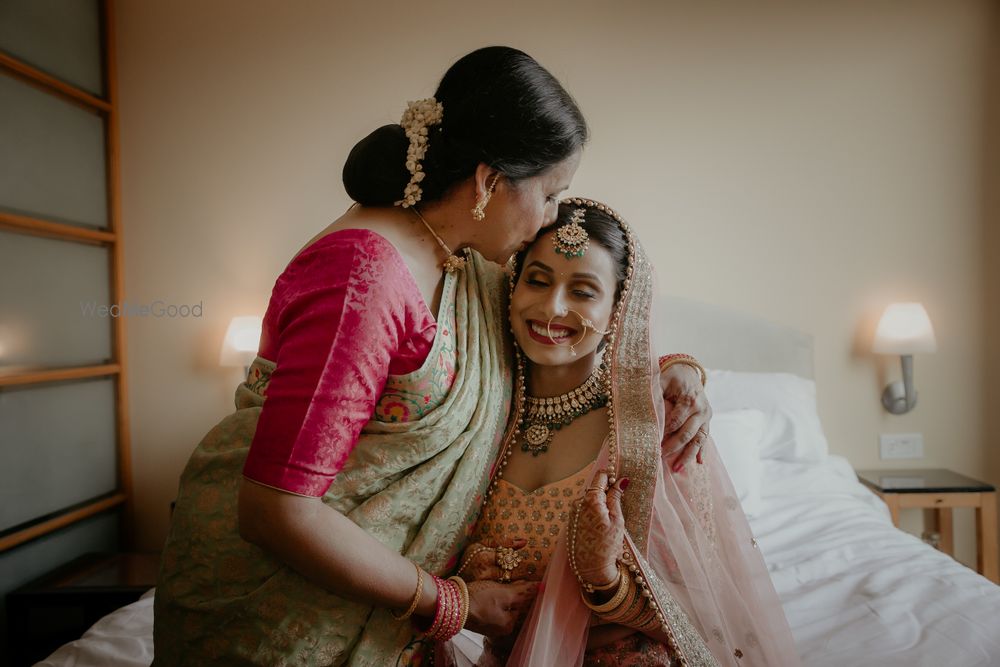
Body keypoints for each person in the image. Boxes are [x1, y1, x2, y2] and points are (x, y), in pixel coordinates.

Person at [153, 47, 711, 666]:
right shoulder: (363, 279)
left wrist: (677, 371)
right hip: (276, 611)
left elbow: (568, 333)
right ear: (490, 180)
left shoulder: (463, 261)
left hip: (379, 605)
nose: (550, 217)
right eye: (551, 193)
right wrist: (454, 606)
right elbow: (276, 509)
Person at [453, 199, 800, 666]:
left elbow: (708, 610)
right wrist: (465, 596)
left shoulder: (654, 428)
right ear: (511, 288)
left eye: (583, 291)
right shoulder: (474, 416)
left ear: (620, 309)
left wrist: (605, 583)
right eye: (537, 280)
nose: (553, 307)